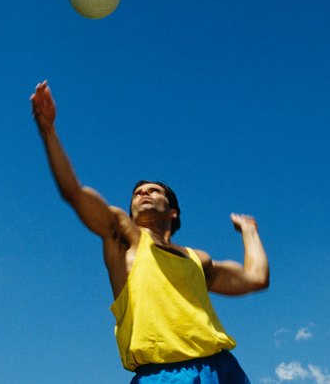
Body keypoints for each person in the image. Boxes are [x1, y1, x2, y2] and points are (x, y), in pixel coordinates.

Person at [30, 80, 269, 383]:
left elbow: (256, 278)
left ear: (173, 211)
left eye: (154, 191)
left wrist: (249, 231)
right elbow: (75, 194)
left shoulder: (198, 259)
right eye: (138, 192)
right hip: (162, 374)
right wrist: (48, 131)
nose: (143, 193)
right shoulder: (123, 239)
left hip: (221, 369)